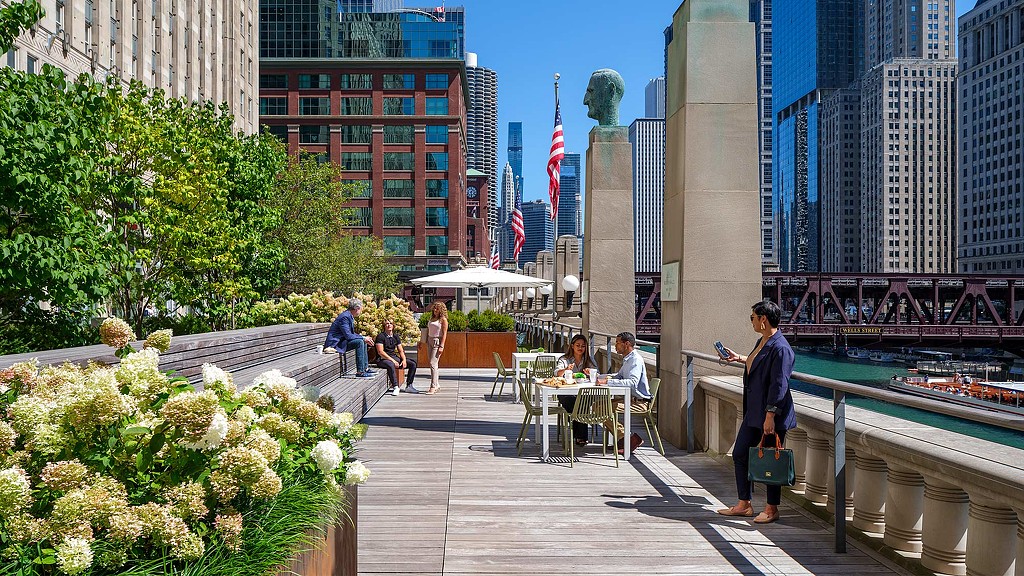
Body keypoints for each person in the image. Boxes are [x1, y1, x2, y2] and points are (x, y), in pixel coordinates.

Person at [716, 300, 797, 525]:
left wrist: (770, 415)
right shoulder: (763, 341)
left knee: (771, 459)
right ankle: (744, 504)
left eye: (752, 317)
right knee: (740, 454)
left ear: (763, 319)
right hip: (754, 413)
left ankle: (771, 509)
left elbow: (779, 385)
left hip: (771, 415)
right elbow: (760, 365)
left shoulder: (781, 348)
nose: (750, 321)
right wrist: (739, 358)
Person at [596, 331, 650, 455]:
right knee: (596, 406)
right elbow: (619, 376)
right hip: (629, 399)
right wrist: (601, 377)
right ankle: (625, 438)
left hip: (639, 402)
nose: (615, 346)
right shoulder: (627, 359)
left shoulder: (635, 360)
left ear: (626, 344)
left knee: (603, 409)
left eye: (618, 343)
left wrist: (607, 383)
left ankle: (627, 439)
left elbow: (632, 383)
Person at [555, 334, 598, 446]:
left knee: (581, 402)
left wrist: (590, 372)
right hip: (566, 392)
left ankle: (576, 430)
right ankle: (581, 436)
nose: (580, 348)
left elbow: (597, 375)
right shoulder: (564, 359)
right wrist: (565, 369)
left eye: (583, 346)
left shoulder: (589, 360)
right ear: (572, 346)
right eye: (578, 345)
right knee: (576, 404)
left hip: (585, 392)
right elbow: (557, 374)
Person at [323, 299, 376, 378]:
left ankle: (365, 368)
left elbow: (350, 334)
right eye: (361, 309)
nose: (361, 311)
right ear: (357, 308)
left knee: (363, 341)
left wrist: (364, 337)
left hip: (342, 341)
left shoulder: (348, 315)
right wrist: (363, 338)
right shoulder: (345, 317)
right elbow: (348, 336)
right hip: (335, 344)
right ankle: (360, 372)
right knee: (360, 342)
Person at [375, 318, 418, 395]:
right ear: (384, 326)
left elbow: (400, 350)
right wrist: (393, 361)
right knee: (391, 364)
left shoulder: (395, 336)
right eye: (387, 324)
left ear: (393, 325)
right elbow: (380, 352)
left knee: (412, 363)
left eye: (390, 323)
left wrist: (404, 360)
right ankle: (395, 387)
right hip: (382, 359)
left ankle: (409, 386)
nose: (389, 325)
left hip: (394, 357)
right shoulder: (380, 336)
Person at [425, 301, 448, 395]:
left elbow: (444, 334)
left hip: (437, 341)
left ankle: (433, 386)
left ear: (441, 310)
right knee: (434, 364)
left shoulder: (443, 320)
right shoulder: (432, 318)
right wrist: (424, 340)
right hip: (429, 340)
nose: (435, 310)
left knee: (432, 363)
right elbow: (428, 330)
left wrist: (442, 345)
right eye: (434, 308)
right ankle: (437, 384)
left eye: (437, 309)